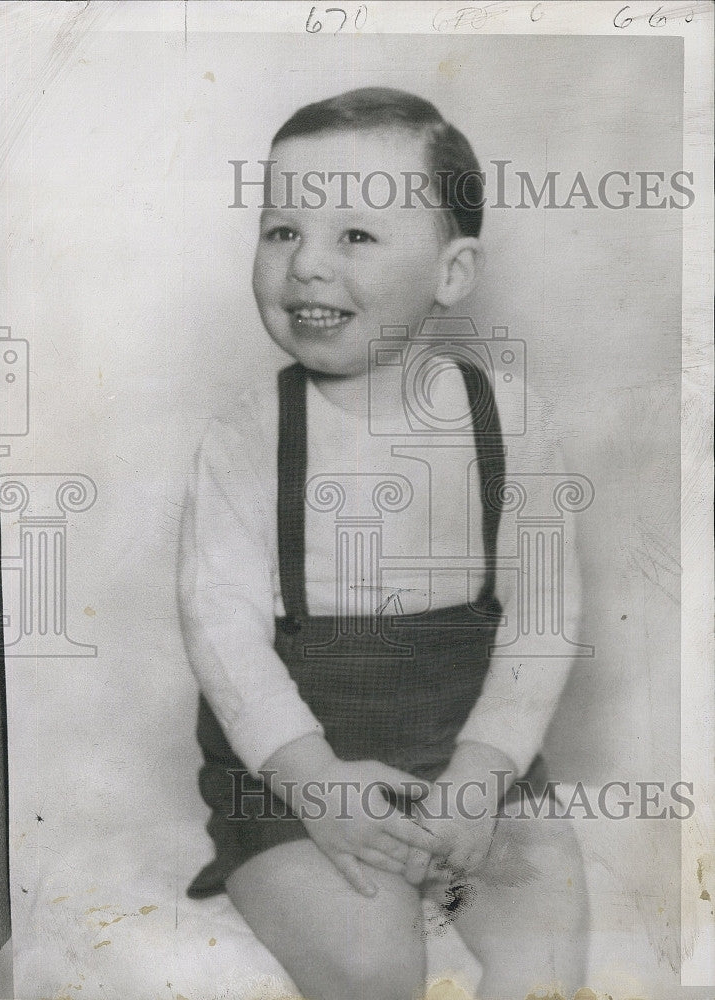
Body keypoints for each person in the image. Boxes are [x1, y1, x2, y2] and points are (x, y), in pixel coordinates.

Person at [177, 87, 588, 1000]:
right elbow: (222, 633)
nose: (307, 267)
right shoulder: (249, 434)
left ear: (452, 271)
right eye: (282, 232)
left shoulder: (511, 424)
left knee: (547, 947)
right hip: (290, 780)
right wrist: (315, 783)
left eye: (355, 236)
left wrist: (484, 773)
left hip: (473, 763)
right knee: (370, 955)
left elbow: (544, 619)